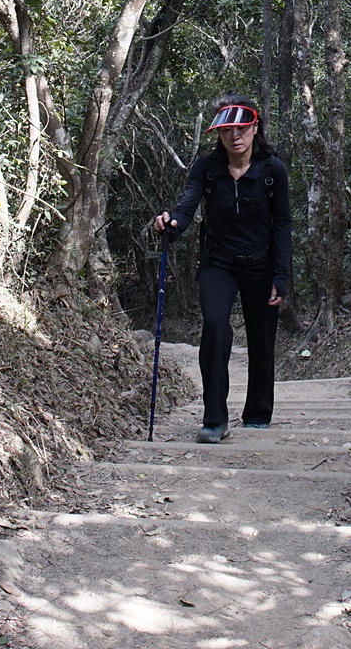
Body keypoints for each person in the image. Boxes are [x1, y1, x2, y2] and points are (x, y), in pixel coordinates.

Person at [153, 94, 291, 443]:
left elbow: (282, 224)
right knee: (215, 328)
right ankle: (214, 419)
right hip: (218, 263)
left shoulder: (272, 170)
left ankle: (257, 413)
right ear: (219, 133)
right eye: (227, 130)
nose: (235, 136)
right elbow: (187, 206)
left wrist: (281, 275)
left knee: (261, 339)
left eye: (242, 128)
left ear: (255, 128)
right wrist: (172, 224)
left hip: (261, 264)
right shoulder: (207, 167)